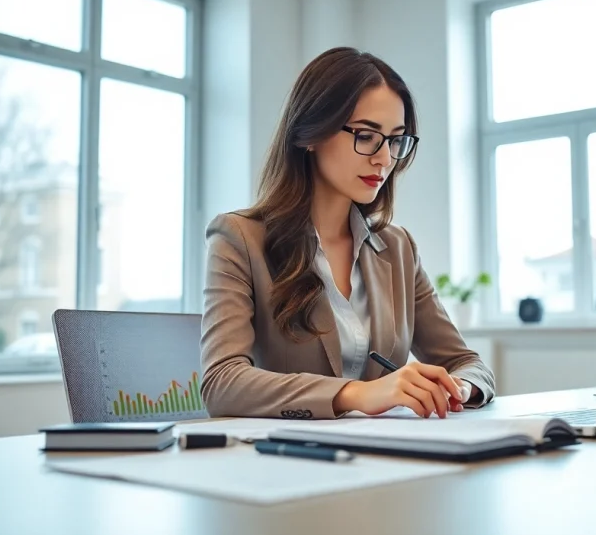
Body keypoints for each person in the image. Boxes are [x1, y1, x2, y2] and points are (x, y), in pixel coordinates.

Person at [199, 46, 495, 420]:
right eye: (366, 136)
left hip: (389, 449)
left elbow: (467, 362)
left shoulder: (398, 248)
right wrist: (356, 394)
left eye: (396, 140)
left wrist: (457, 387)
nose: (385, 159)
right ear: (310, 133)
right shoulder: (238, 239)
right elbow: (222, 383)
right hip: (284, 452)